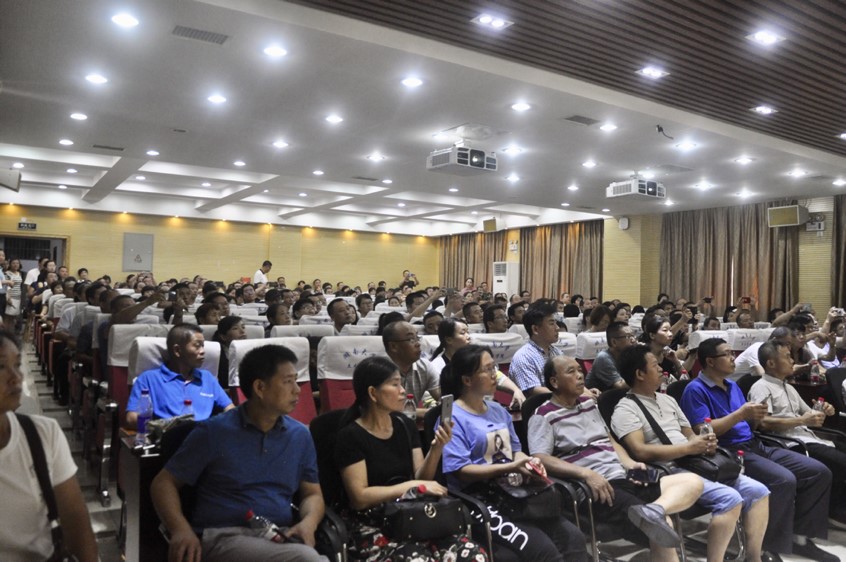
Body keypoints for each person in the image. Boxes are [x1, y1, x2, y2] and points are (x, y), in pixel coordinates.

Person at [151, 345, 327, 562]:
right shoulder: (215, 432)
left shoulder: (299, 435)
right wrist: (180, 529)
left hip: (278, 535)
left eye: (296, 381)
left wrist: (308, 523)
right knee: (307, 559)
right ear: (260, 387)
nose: (298, 390)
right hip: (224, 537)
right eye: (288, 381)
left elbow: (312, 494)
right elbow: (163, 483)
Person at [529, 355, 703, 561]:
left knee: (692, 482)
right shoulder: (543, 415)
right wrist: (586, 474)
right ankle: (654, 514)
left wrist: (631, 464)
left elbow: (609, 440)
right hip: (599, 488)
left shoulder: (589, 405)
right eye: (571, 372)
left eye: (580, 370)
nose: (580, 375)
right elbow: (540, 457)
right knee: (661, 525)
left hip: (625, 476)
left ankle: (654, 510)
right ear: (554, 381)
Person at [680, 338, 836, 560]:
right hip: (727, 451)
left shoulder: (732, 385)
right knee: (783, 480)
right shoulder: (695, 389)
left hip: (755, 443)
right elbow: (703, 430)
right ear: (710, 361)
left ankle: (800, 538)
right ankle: (765, 547)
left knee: (818, 472)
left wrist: (754, 417)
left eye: (732, 353)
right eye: (727, 354)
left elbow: (749, 425)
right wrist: (741, 414)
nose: (733, 358)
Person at [612, 346, 771, 562]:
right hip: (668, 470)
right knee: (730, 498)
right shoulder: (625, 409)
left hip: (695, 461)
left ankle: (753, 558)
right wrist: (688, 448)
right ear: (639, 374)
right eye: (655, 365)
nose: (661, 369)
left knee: (759, 491)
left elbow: (689, 435)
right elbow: (639, 450)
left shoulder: (667, 400)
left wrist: (703, 443)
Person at [441, 344, 588, 561]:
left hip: (512, 490)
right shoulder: (453, 417)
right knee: (543, 550)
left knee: (573, 537)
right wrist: (511, 466)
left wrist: (527, 462)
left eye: (494, 368)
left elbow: (516, 451)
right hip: (477, 499)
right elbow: (461, 471)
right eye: (487, 370)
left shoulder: (499, 410)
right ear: (467, 380)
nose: (495, 375)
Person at [334, 356, 487, 561]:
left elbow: (422, 477)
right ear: (372, 393)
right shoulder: (351, 436)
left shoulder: (404, 425)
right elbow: (359, 497)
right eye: (395, 384)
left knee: (473, 555)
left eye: (401, 383)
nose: (403, 391)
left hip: (412, 512)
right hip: (372, 521)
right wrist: (413, 485)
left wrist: (436, 449)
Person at [0, 330, 98, 562]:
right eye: (1, 367)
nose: (16, 377)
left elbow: (75, 521)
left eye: (18, 365)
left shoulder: (42, 433)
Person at [749, 340, 846, 524]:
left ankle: (835, 506)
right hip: (789, 444)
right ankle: (835, 509)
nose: (792, 361)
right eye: (787, 357)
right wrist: (802, 421)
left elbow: (810, 414)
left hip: (808, 437)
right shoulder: (761, 387)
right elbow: (763, 423)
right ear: (771, 363)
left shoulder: (789, 387)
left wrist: (824, 409)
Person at [126, 324, 234, 427]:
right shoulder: (149, 378)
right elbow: (131, 418)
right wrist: (160, 427)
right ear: (177, 350)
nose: (202, 351)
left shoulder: (207, 377)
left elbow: (230, 409)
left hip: (204, 434)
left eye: (203, 346)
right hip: (167, 434)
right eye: (197, 346)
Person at [430, 318, 526, 407]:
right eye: (463, 333)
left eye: (468, 332)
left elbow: (497, 376)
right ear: (449, 339)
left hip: (486, 406)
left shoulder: (475, 357)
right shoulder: (437, 366)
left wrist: (516, 390)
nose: (468, 337)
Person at [509, 302, 562, 396]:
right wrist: (568, 394)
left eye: (556, 323)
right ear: (535, 329)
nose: (557, 328)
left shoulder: (557, 352)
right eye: (551, 324)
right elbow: (534, 390)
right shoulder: (523, 357)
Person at [585, 321, 636, 391]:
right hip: (598, 395)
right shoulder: (603, 358)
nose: (633, 340)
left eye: (633, 335)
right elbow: (620, 386)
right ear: (614, 342)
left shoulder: (628, 355)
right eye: (628, 337)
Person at [212, 316, 247, 390]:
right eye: (235, 328)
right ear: (223, 337)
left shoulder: (252, 351)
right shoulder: (217, 356)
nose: (242, 331)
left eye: (243, 327)